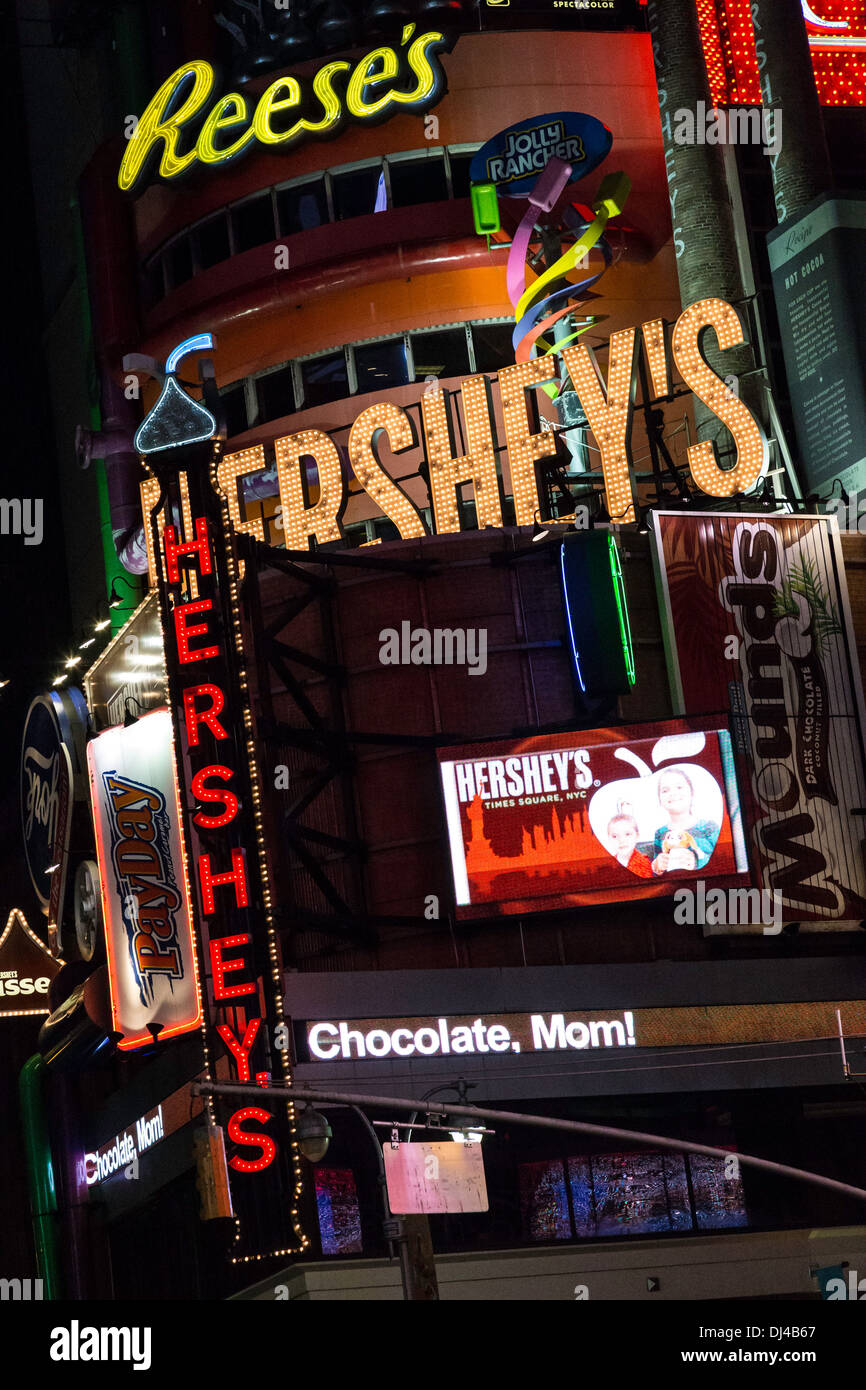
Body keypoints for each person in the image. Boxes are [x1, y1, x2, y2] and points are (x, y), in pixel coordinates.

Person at [651, 768, 719, 875]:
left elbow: (725, 862)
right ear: (660, 799)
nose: (673, 793)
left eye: (679, 787)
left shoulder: (709, 827)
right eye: (665, 790)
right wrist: (657, 867)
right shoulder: (659, 833)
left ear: (692, 793)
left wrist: (698, 862)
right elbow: (656, 874)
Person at [607, 813, 654, 878]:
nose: (621, 840)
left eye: (627, 834)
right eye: (615, 836)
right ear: (609, 839)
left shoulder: (644, 864)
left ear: (637, 836)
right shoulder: (609, 865)